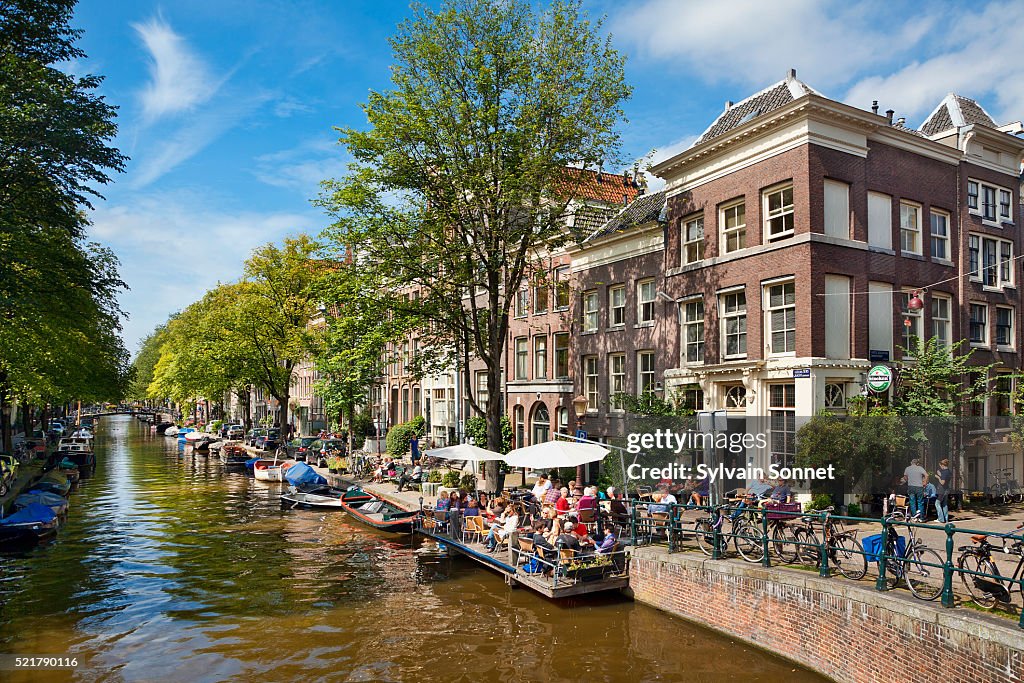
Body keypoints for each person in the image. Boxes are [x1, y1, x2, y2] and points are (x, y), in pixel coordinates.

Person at [935, 458, 952, 523]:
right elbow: (945, 477)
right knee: (944, 504)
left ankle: (941, 519)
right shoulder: (948, 471)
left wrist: (938, 477)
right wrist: (940, 474)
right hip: (947, 489)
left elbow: (942, 482)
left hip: (942, 490)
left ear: (942, 465)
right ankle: (946, 518)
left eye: (940, 466)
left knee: (937, 503)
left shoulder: (944, 472)